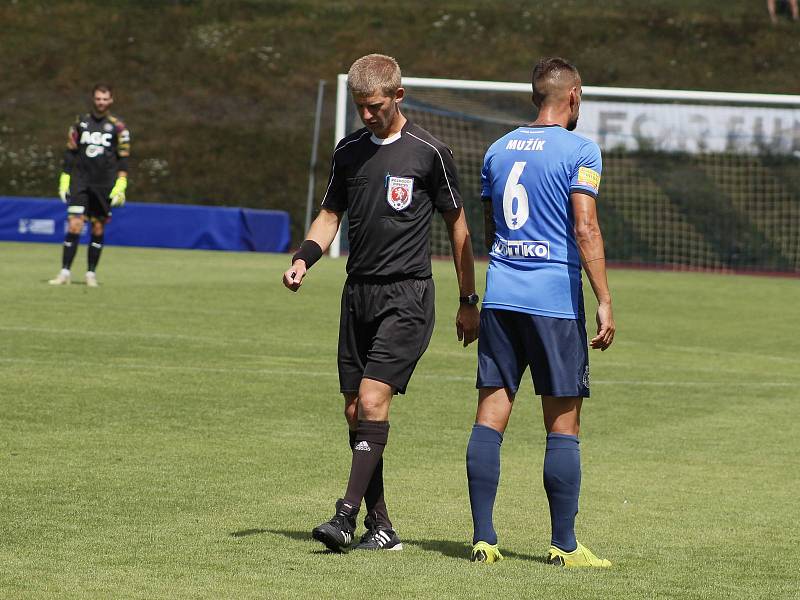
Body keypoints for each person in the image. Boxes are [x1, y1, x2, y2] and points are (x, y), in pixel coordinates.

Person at [282, 53, 480, 552]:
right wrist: (305, 257)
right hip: (357, 295)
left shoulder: (428, 152)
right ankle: (383, 526)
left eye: (374, 105)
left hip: (407, 294)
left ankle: (344, 516)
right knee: (355, 411)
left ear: (398, 95)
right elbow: (329, 215)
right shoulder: (348, 150)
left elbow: (458, 229)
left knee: (372, 399)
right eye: (360, 107)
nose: (367, 115)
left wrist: (467, 299)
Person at [465, 57, 615, 567]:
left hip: (502, 295)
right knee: (563, 426)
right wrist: (604, 298)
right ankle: (564, 546)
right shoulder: (580, 149)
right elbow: (585, 227)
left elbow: (489, 228)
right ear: (574, 95)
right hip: (553, 301)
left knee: (491, 415)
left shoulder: (497, 148)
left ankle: (484, 539)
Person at [49, 84, 130, 287]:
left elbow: (124, 158)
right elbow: (70, 152)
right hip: (81, 181)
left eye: (105, 98)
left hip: (104, 184)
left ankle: (90, 273)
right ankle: (64, 272)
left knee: (97, 227)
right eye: (98, 98)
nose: (101, 102)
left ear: (111, 100)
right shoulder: (80, 123)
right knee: (75, 224)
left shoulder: (119, 126)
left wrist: (121, 183)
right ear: (93, 99)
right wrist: (65, 178)